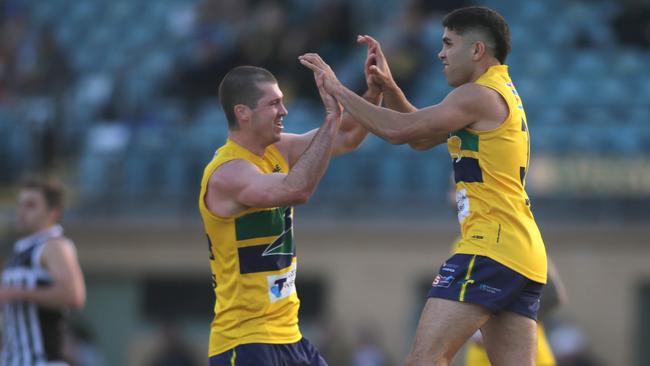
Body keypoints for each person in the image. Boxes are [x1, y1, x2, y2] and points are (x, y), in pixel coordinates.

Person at [299, 6, 547, 366]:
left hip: (489, 248)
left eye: (448, 43)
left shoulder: (476, 95)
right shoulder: (495, 93)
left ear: (477, 51)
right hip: (521, 253)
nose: (440, 53)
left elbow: (399, 132)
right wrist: (390, 86)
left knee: (424, 360)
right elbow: (420, 137)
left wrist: (338, 89)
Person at [198, 51, 381, 365]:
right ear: (242, 113)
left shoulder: (278, 150)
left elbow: (349, 135)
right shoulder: (228, 172)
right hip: (245, 342)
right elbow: (296, 189)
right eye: (273, 104)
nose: (284, 110)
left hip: (290, 338)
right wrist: (330, 117)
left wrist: (374, 91)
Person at [0, 178, 86, 365]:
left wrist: (16, 292)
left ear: (52, 213)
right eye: (21, 204)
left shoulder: (53, 245)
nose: (22, 211)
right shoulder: (20, 251)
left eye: (31, 205)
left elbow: (73, 295)